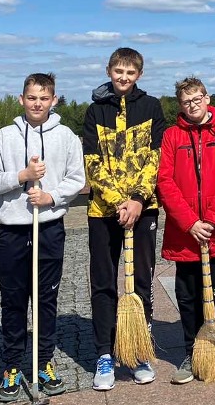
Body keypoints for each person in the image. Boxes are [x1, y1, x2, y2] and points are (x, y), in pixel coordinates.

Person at [0, 72, 86, 401]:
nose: (37, 103)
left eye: (44, 98)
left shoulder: (66, 136)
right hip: (12, 230)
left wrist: (51, 197)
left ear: (54, 100)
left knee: (45, 299)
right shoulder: (5, 136)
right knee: (13, 300)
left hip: (49, 228)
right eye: (31, 97)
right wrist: (22, 176)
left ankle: (43, 362)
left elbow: (76, 178)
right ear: (21, 99)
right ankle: (12, 365)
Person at [83, 47, 165, 389]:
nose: (123, 77)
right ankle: (105, 352)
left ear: (139, 75)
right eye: (118, 71)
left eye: (130, 72)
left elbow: (155, 158)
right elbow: (92, 162)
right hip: (103, 210)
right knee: (104, 282)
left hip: (143, 207)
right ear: (108, 70)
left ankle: (138, 350)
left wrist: (136, 199)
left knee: (142, 281)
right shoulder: (94, 110)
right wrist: (118, 201)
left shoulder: (151, 107)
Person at [156, 77, 215, 384]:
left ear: (206, 98)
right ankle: (192, 350)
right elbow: (164, 182)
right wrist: (190, 222)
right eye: (186, 101)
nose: (192, 105)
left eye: (197, 99)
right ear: (180, 104)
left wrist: (213, 221)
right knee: (188, 295)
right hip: (185, 235)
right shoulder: (171, 136)